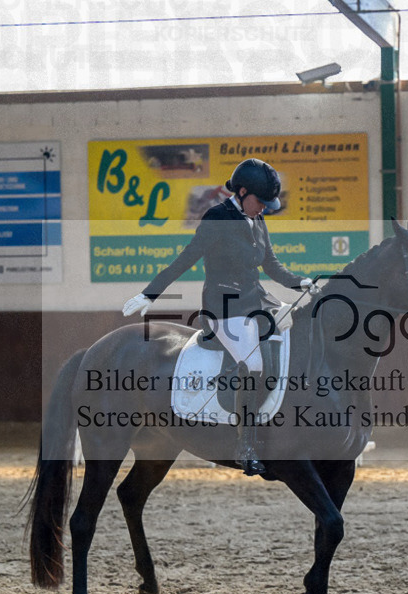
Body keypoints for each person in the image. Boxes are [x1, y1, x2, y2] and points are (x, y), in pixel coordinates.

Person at [122, 158, 317, 475]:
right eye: (261, 202)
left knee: (294, 336)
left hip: (256, 302)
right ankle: (245, 446)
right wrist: (150, 293)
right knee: (253, 363)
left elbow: (270, 266)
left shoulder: (257, 220)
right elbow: (187, 258)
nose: (265, 208)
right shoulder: (216, 217)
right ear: (241, 192)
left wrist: (300, 283)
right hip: (224, 307)